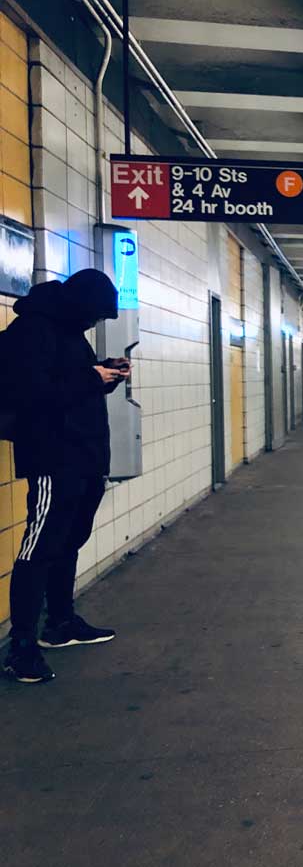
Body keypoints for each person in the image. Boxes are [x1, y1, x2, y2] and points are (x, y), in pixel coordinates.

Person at [2, 269, 129, 684]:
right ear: (79, 305)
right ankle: (22, 647)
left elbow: (72, 386)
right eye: (94, 315)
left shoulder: (71, 330)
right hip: (53, 456)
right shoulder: (33, 330)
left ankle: (59, 623)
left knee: (68, 540)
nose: (95, 324)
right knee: (39, 547)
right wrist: (91, 377)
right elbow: (31, 394)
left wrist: (104, 375)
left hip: (85, 455)